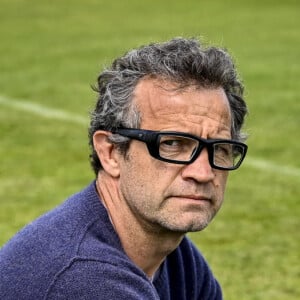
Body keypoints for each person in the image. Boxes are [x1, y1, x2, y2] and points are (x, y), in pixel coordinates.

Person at [0, 37, 248, 299]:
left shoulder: (176, 258)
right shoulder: (85, 279)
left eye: (219, 148)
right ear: (110, 152)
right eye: (173, 143)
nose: (203, 172)